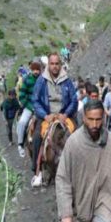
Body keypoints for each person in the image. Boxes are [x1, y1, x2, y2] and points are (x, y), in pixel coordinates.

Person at [56, 99, 111, 222]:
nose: (95, 124)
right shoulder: (74, 143)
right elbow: (63, 178)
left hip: (106, 198)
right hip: (83, 198)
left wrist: (109, 185)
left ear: (104, 118)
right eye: (91, 119)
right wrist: (66, 212)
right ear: (84, 118)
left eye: (98, 119)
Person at [31, 52, 78, 186]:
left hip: (64, 115)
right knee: (36, 138)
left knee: (78, 135)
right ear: (48, 65)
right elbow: (35, 100)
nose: (55, 66)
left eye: (57, 63)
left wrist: (66, 114)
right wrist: (45, 115)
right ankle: (37, 171)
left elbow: (74, 100)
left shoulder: (67, 80)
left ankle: (79, 167)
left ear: (60, 64)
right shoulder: (41, 80)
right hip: (47, 115)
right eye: (52, 64)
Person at [17, 61, 41, 157]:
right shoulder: (26, 80)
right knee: (22, 122)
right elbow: (22, 96)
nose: (36, 71)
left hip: (41, 107)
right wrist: (31, 107)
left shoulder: (43, 80)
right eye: (34, 70)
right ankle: (20, 144)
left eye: (37, 70)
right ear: (31, 70)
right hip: (29, 106)